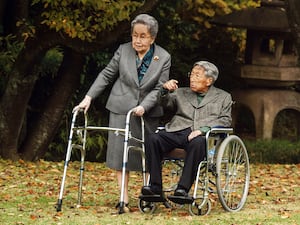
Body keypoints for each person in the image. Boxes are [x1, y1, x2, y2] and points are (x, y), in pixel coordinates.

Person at [74, 14, 171, 212]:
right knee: (120, 155)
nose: (137, 40)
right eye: (135, 35)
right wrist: (88, 97)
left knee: (146, 154)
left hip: (148, 111)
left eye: (143, 36)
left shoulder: (164, 56)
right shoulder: (123, 50)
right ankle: (123, 198)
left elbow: (160, 88)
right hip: (120, 107)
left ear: (152, 38)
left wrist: (145, 105)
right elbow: (107, 74)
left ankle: (147, 195)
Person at [141, 61, 232, 204]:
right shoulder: (181, 92)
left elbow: (226, 120)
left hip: (203, 136)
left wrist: (203, 130)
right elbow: (165, 103)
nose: (192, 78)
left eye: (197, 75)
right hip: (177, 131)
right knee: (153, 138)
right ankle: (155, 187)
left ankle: (182, 189)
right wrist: (164, 90)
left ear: (209, 80)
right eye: (191, 74)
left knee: (198, 142)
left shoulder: (223, 97)